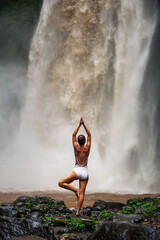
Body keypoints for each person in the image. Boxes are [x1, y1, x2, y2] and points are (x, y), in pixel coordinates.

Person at [58, 117, 91, 216]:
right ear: (85, 141)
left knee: (61, 183)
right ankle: (77, 211)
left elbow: (73, 135)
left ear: (77, 141)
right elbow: (89, 134)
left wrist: (78, 125)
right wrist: (84, 125)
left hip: (76, 171)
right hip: (85, 171)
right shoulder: (87, 148)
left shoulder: (76, 148)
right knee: (82, 193)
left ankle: (75, 190)